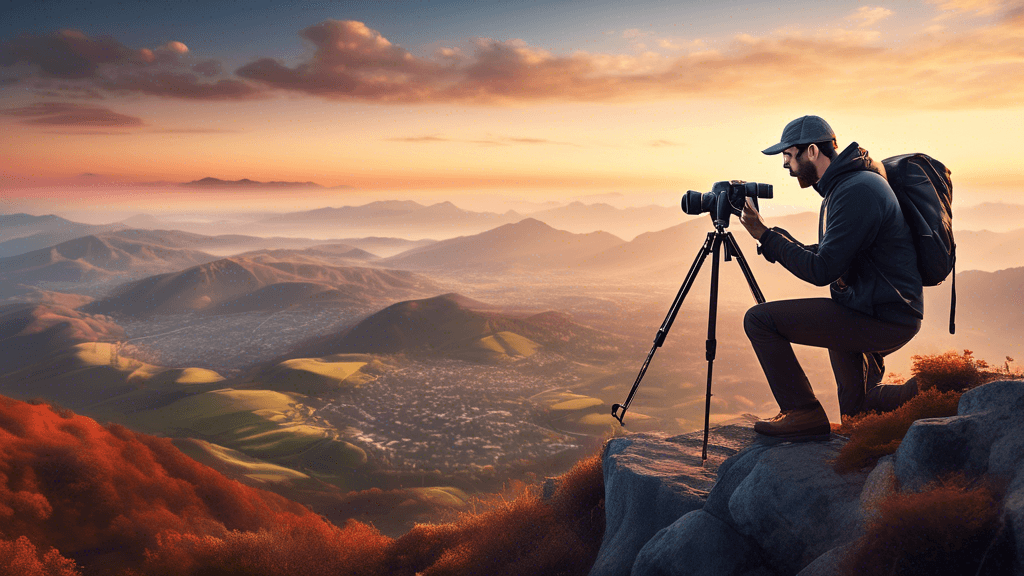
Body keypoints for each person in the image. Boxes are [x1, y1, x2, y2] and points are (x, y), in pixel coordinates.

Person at [738, 115, 924, 440]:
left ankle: (803, 413)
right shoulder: (848, 186)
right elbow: (832, 253)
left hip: (878, 316)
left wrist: (766, 236)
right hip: (868, 308)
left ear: (811, 151)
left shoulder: (857, 191)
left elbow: (822, 270)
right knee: (858, 414)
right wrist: (770, 238)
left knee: (760, 320)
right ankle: (929, 392)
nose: (785, 165)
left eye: (788, 155)